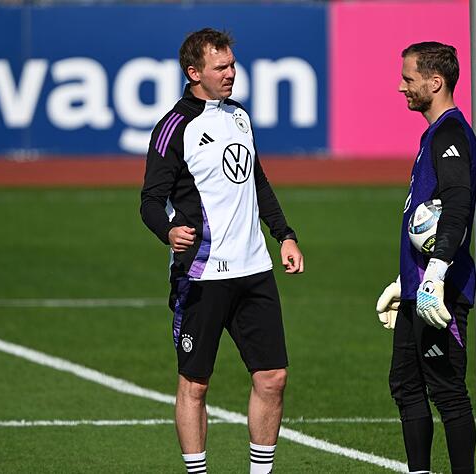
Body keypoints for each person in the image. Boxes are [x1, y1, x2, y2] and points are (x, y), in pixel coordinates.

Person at [140, 28, 304, 474]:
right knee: (195, 385)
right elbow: (150, 200)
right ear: (194, 73)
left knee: (273, 378)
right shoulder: (174, 127)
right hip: (201, 274)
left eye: (232, 64)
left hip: (255, 270)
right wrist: (168, 231)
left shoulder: (240, 116)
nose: (231, 73)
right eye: (221, 67)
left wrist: (285, 235)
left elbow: (257, 180)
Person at [375, 41, 476, 474]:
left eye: (409, 79)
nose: (401, 87)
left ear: (435, 83)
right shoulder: (433, 134)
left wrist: (434, 277)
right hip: (420, 288)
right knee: (405, 383)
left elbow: (457, 208)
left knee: (447, 390)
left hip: (440, 291)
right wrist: (407, 281)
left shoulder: (451, 134)